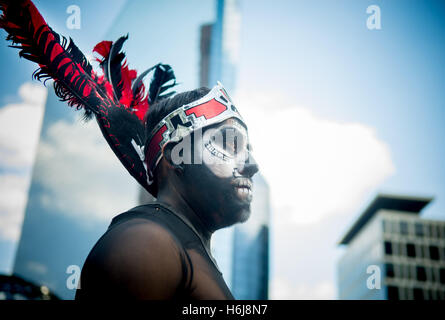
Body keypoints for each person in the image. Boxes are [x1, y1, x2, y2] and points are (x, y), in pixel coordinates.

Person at [0, 0, 258, 299]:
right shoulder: (146, 242)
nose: (252, 164)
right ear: (176, 155)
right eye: (229, 144)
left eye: (248, 149)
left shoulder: (177, 246)